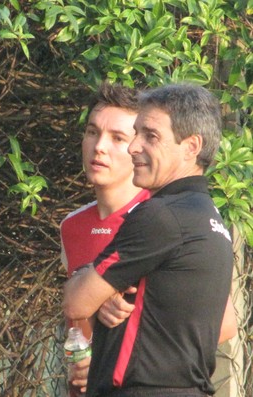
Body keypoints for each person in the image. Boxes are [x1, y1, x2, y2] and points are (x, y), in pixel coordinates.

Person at [61, 83, 237, 396]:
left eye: (148, 136)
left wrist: (96, 291)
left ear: (191, 146)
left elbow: (77, 300)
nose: (133, 147)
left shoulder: (159, 215)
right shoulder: (206, 214)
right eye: (92, 132)